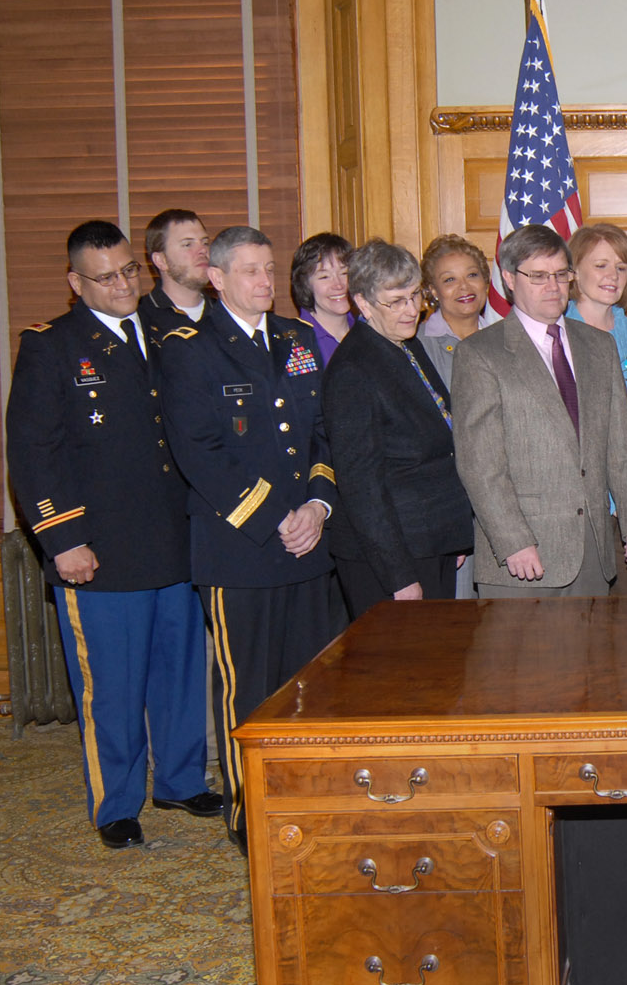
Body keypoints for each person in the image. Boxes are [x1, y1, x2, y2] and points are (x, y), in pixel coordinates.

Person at [6, 220, 214, 850]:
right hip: (101, 550)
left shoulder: (168, 332)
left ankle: (179, 779)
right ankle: (117, 803)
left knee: (179, 674)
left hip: (176, 540)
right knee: (113, 687)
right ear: (76, 283)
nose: (124, 285)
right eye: (107, 276)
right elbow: (33, 452)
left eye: (130, 270)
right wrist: (62, 539)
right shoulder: (52, 345)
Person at [159, 225, 340, 851]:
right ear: (217, 278)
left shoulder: (295, 339)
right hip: (242, 553)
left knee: (311, 687)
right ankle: (251, 812)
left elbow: (320, 433)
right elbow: (200, 452)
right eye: (250, 271)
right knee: (251, 692)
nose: (266, 282)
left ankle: (308, 798)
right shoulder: (188, 348)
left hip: (309, 549)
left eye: (270, 269)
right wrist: (276, 518)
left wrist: (317, 506)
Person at [453, 224, 627, 598]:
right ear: (509, 279)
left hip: (593, 552)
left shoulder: (599, 346)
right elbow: (480, 465)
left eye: (562, 275)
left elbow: (621, 446)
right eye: (539, 276)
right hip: (523, 558)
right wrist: (512, 540)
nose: (554, 287)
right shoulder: (480, 354)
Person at [321, 239, 474, 617]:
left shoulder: (403, 344)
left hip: (430, 539)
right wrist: (399, 575)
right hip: (390, 558)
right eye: (397, 301)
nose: (412, 311)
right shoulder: (353, 369)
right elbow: (361, 486)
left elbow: (441, 431)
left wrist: (452, 533)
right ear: (363, 303)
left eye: (415, 296)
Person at [568, 222, 627, 509]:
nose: (612, 275)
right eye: (601, 265)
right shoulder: (556, 333)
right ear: (574, 271)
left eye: (621, 267)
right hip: (573, 500)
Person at [416, 233, 502, 390]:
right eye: (450, 279)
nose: (464, 286)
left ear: (485, 281)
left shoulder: (505, 341)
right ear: (433, 290)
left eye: (472, 275)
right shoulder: (416, 345)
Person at [288, 231, 354, 365]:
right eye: (324, 277)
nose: (338, 285)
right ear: (305, 285)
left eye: (344, 273)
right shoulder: (293, 345)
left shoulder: (371, 331)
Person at [140, 208, 211, 325]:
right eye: (188, 244)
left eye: (205, 243)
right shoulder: (140, 320)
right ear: (161, 261)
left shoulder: (226, 316)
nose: (203, 250)